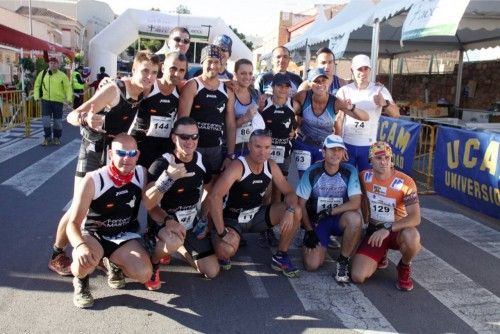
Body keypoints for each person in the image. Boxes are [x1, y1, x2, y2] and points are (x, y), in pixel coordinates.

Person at [47, 51, 159, 278]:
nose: (149, 76)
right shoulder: (114, 90)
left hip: (113, 153)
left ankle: (104, 251)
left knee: (104, 202)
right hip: (92, 150)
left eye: (154, 73)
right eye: (145, 71)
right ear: (134, 70)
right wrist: (85, 118)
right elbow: (73, 115)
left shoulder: (144, 91)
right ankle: (57, 253)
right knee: (79, 206)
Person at [66, 134, 167, 308]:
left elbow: (151, 207)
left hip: (122, 236)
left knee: (144, 273)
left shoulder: (141, 173)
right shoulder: (93, 179)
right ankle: (81, 282)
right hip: (94, 235)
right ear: (111, 154)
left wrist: (168, 221)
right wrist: (80, 246)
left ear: (137, 155)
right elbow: (72, 223)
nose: (127, 158)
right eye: (121, 153)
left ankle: (113, 262)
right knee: (84, 262)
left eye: (132, 153)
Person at [209, 129, 302, 277]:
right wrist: (221, 232)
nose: (262, 152)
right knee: (225, 251)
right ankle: (216, 237)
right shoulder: (238, 166)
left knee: (296, 210)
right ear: (249, 146)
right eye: (258, 147)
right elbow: (215, 197)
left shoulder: (270, 165)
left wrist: (290, 212)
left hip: (256, 216)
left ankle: (281, 256)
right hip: (233, 219)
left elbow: (290, 193)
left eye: (267, 148)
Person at [143, 117, 219, 289]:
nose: (190, 141)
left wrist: (204, 218)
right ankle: (154, 261)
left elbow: (209, 190)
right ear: (173, 138)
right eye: (184, 137)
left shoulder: (201, 161)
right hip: (164, 221)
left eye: (194, 136)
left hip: (190, 223)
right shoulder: (162, 163)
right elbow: (148, 204)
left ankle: (180, 246)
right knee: (172, 241)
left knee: (212, 271)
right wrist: (168, 179)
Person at [351, 141, 421, 291]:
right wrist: (365, 222)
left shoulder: (406, 182)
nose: (383, 162)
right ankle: (380, 253)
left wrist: (388, 229)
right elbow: (362, 198)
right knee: (357, 276)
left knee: (413, 237)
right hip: (375, 230)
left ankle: (404, 265)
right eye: (378, 158)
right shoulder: (364, 176)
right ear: (370, 161)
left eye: (387, 158)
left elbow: (415, 217)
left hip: (396, 231)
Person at [296, 134, 362, 282]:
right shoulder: (312, 171)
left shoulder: (350, 171)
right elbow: (301, 204)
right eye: (332, 149)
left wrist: (330, 211)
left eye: (339, 150)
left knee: (355, 218)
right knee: (311, 265)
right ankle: (315, 243)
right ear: (324, 152)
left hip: (340, 219)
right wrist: (309, 230)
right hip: (318, 222)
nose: (336, 153)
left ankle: (343, 260)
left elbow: (355, 202)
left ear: (344, 153)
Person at [293, 68, 368, 177]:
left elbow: (365, 117)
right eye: (316, 81)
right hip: (304, 145)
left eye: (323, 81)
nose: (320, 84)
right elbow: (291, 111)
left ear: (328, 82)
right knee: (304, 177)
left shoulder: (334, 102)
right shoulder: (303, 96)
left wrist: (351, 107)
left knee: (320, 178)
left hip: (324, 148)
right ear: (309, 84)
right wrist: (292, 128)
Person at [178, 44, 236, 176]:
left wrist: (230, 155)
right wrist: (182, 150)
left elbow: (231, 125)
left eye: (217, 62)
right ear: (202, 62)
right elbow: (181, 121)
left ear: (222, 65)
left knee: (212, 190)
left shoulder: (227, 90)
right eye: (209, 61)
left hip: (215, 149)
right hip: (192, 147)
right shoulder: (193, 85)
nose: (213, 66)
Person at [335, 54, 400, 172]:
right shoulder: (344, 90)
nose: (363, 72)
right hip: (347, 144)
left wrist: (384, 103)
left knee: (367, 183)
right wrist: (339, 145)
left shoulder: (379, 89)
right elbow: (339, 118)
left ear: (370, 70)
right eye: (359, 69)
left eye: (366, 69)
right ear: (352, 70)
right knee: (346, 180)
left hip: (368, 146)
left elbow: (396, 114)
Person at [129, 51, 188, 169]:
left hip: (164, 148)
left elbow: (204, 81)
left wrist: (227, 82)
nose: (177, 74)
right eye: (173, 68)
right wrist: (112, 81)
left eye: (182, 70)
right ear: (163, 67)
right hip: (140, 144)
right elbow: (129, 82)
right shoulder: (150, 85)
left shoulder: (182, 89)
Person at [34, 57, 72, 146]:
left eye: (55, 63)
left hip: (58, 102)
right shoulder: (43, 73)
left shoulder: (62, 75)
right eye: (51, 63)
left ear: (58, 65)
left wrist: (69, 98)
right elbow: (37, 85)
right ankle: (47, 138)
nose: (53, 65)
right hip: (46, 101)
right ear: (49, 64)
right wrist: (36, 96)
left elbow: (68, 88)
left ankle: (56, 138)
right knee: (46, 120)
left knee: (57, 122)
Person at [232, 58, 263, 157]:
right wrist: (245, 118)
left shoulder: (255, 93)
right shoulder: (230, 94)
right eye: (243, 73)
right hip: (234, 147)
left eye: (250, 73)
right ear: (235, 74)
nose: (247, 77)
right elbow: (225, 127)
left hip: (252, 148)